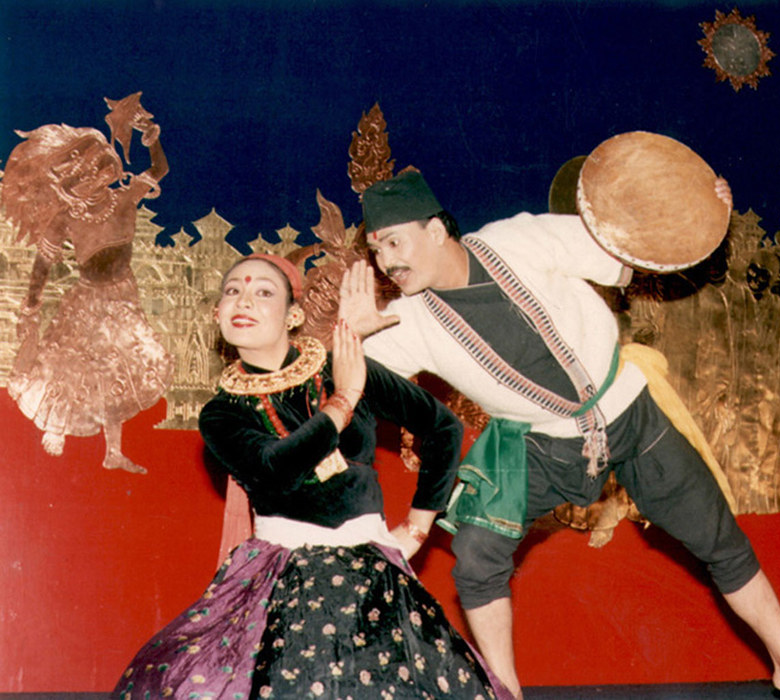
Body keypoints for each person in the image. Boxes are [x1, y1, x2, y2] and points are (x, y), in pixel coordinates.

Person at [339, 170, 780, 700]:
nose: (386, 261)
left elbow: (632, 247)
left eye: (395, 243)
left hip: (628, 412)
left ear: (437, 230)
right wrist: (355, 335)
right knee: (478, 552)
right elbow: (341, 390)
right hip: (542, 445)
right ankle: (507, 694)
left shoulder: (517, 239)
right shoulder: (407, 321)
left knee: (720, 539)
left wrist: (699, 205)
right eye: (377, 250)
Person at [112, 253, 509, 700]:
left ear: (293, 315)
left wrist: (417, 529)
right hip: (283, 572)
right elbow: (276, 469)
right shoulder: (222, 414)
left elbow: (443, 427)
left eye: (264, 292)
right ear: (217, 314)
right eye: (232, 291)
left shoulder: (342, 366)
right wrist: (344, 400)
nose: (244, 301)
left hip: (372, 570)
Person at [2, 93, 173, 473]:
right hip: (86, 300)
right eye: (82, 176)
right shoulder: (66, 218)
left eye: (98, 170)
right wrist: (31, 303)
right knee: (69, 366)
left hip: (122, 297)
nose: (93, 178)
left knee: (116, 371)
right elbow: (43, 263)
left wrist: (151, 135)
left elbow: (159, 168)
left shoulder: (125, 199)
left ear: (109, 168)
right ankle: (56, 426)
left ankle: (113, 452)